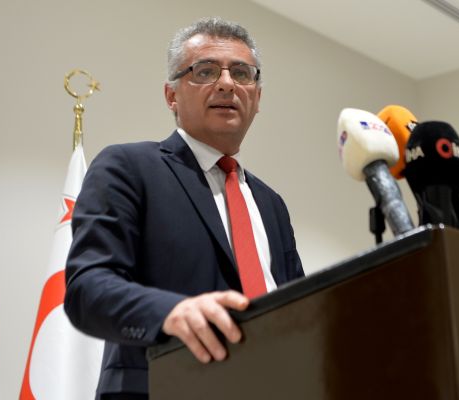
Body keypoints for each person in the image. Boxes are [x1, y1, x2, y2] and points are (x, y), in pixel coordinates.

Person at [64, 17, 305, 400]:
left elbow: (299, 310)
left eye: (241, 73)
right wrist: (171, 313)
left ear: (257, 97)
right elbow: (88, 290)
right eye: (205, 71)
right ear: (171, 95)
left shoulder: (271, 204)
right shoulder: (128, 167)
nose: (226, 83)